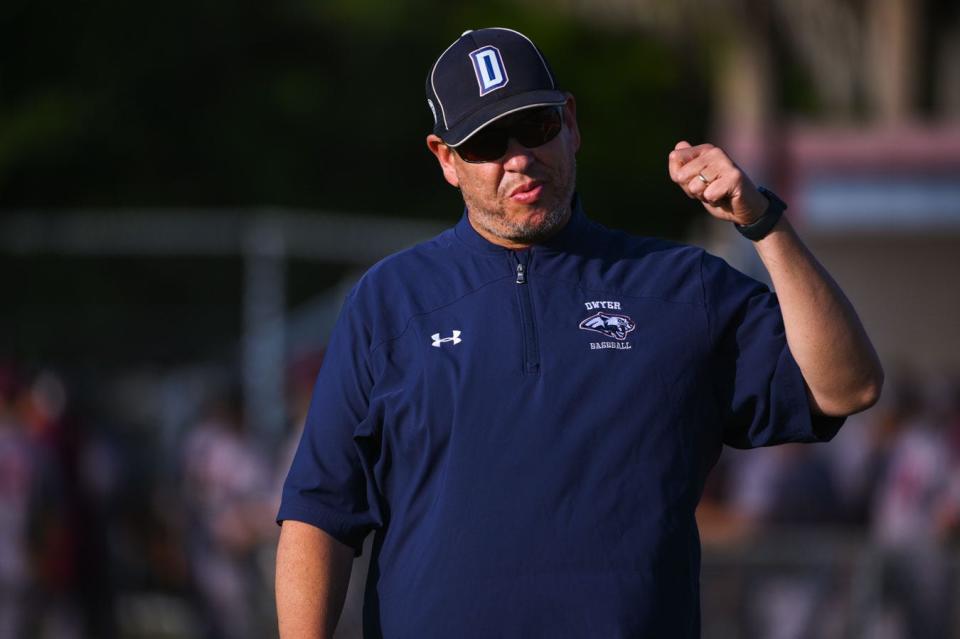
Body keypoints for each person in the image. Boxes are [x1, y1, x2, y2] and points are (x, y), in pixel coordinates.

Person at [275, 27, 883, 639]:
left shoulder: (679, 286)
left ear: (570, 122)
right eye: (487, 142)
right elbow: (320, 512)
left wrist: (763, 223)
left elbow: (846, 386)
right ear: (446, 159)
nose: (518, 158)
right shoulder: (389, 302)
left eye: (534, 127)